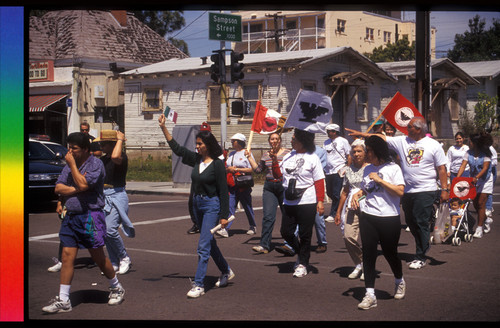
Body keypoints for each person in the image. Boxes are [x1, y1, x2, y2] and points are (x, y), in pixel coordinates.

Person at [346, 116, 449, 270]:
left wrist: (445, 189)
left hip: (426, 189)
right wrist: (362, 135)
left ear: (419, 129)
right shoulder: (402, 141)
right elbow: (381, 137)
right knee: (411, 222)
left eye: (410, 127)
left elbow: (441, 168)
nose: (406, 130)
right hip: (407, 190)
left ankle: (420, 256)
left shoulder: (433, 145)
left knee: (421, 222)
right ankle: (423, 244)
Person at [43, 132, 125, 313]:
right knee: (66, 257)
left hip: (90, 216)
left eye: (74, 148)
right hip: (71, 216)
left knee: (98, 257)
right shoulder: (70, 164)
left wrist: (72, 167)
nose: (70, 151)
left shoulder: (96, 165)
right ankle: (63, 299)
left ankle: (116, 287)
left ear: (86, 149)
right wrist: (73, 188)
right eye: (69, 147)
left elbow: (84, 184)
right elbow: (59, 187)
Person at [159, 114, 233, 298]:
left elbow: (224, 191)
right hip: (197, 204)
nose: (197, 146)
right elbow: (178, 149)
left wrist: (224, 215)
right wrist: (163, 128)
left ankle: (199, 284)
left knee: (202, 245)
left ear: (208, 145)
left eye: (200, 144)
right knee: (209, 241)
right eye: (196, 144)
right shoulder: (196, 160)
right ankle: (226, 271)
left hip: (211, 205)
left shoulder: (217, 164)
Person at [350, 135, 406, 310]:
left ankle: (399, 280)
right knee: (368, 253)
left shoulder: (393, 168)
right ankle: (370, 294)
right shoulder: (367, 170)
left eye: (368, 150)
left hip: (389, 217)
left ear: (376, 151)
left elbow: (400, 191)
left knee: (390, 253)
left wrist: (381, 180)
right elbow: (367, 190)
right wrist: (358, 194)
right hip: (368, 215)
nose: (366, 153)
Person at [272, 129, 325, 278]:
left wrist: (320, 201)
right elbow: (277, 175)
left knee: (305, 234)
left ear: (303, 141)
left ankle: (303, 263)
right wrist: (275, 161)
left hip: (307, 200)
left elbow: (319, 181)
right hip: (289, 199)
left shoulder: (312, 158)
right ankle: (300, 252)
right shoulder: (289, 155)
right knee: (286, 231)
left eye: (294, 139)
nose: (291, 141)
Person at [245, 133, 290, 253]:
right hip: (270, 186)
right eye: (272, 139)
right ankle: (264, 245)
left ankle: (289, 243)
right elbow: (258, 170)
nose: (274, 141)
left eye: (276, 139)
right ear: (269, 141)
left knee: (288, 215)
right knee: (268, 217)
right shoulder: (266, 154)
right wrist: (249, 157)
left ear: (280, 141)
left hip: (283, 186)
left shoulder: (288, 153)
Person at [97, 130, 134, 275]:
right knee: (104, 232)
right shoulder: (103, 159)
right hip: (104, 196)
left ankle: (124, 257)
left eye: (103, 143)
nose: (100, 146)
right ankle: (114, 261)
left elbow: (115, 156)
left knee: (110, 229)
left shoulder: (121, 157)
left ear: (111, 144)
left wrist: (120, 140)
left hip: (117, 195)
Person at [334, 138, 369, 280]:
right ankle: (359, 263)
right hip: (351, 205)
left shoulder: (370, 168)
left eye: (359, 151)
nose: (356, 154)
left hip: (368, 206)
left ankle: (368, 267)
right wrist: (338, 211)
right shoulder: (348, 170)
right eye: (354, 151)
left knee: (367, 239)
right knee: (348, 236)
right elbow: (344, 191)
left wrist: (361, 196)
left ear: (365, 153)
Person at [217, 133, 257, 237]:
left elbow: (251, 169)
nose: (232, 142)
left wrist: (236, 169)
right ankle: (225, 229)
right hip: (232, 185)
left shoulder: (246, 153)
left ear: (239, 142)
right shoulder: (231, 154)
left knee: (247, 206)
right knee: (230, 206)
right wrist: (228, 169)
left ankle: (253, 225)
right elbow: (227, 167)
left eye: (234, 141)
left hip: (243, 184)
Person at [457, 132, 494, 239]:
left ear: (474, 143)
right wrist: (458, 179)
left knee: (481, 203)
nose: (468, 142)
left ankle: (479, 228)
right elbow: (463, 166)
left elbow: (485, 168)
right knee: (476, 204)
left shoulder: (486, 154)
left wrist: (477, 177)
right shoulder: (468, 153)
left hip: (485, 180)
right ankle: (486, 219)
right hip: (473, 180)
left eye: (470, 141)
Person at [323, 123, 351, 223]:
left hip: (339, 170)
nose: (327, 133)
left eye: (329, 131)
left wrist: (348, 168)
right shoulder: (326, 142)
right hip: (328, 171)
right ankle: (341, 205)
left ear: (335, 132)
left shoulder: (343, 141)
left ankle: (333, 213)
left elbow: (349, 155)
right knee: (330, 192)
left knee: (335, 192)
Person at [485, 145, 497, 233]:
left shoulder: (490, 148)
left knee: (488, 192)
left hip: (490, 171)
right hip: (481, 172)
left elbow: (495, 162)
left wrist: (485, 163)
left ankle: (488, 210)